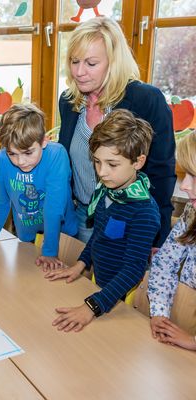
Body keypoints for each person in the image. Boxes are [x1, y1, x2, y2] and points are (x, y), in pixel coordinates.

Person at [58, 17, 175, 247]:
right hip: (85, 215)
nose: (79, 72)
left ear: (114, 62)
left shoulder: (146, 100)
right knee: (85, 280)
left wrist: (156, 236)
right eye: (74, 61)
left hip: (131, 219)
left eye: (91, 63)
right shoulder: (69, 102)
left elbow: (161, 172)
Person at [46, 110, 160, 332]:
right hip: (101, 290)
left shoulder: (144, 211)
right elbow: (98, 237)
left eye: (112, 164)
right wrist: (80, 265)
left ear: (138, 162)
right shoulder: (107, 192)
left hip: (124, 300)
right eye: (97, 162)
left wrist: (92, 307)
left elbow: (133, 270)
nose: (102, 172)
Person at [0, 103, 77, 269]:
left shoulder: (57, 155)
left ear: (44, 141)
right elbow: (2, 198)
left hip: (62, 236)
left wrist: (50, 251)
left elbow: (54, 208)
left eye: (28, 152)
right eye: (12, 153)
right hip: (27, 234)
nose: (20, 161)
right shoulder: (2, 158)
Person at [148, 132, 196, 351]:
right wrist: (159, 312)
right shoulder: (191, 212)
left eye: (194, 175)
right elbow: (164, 263)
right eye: (185, 173)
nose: (185, 185)